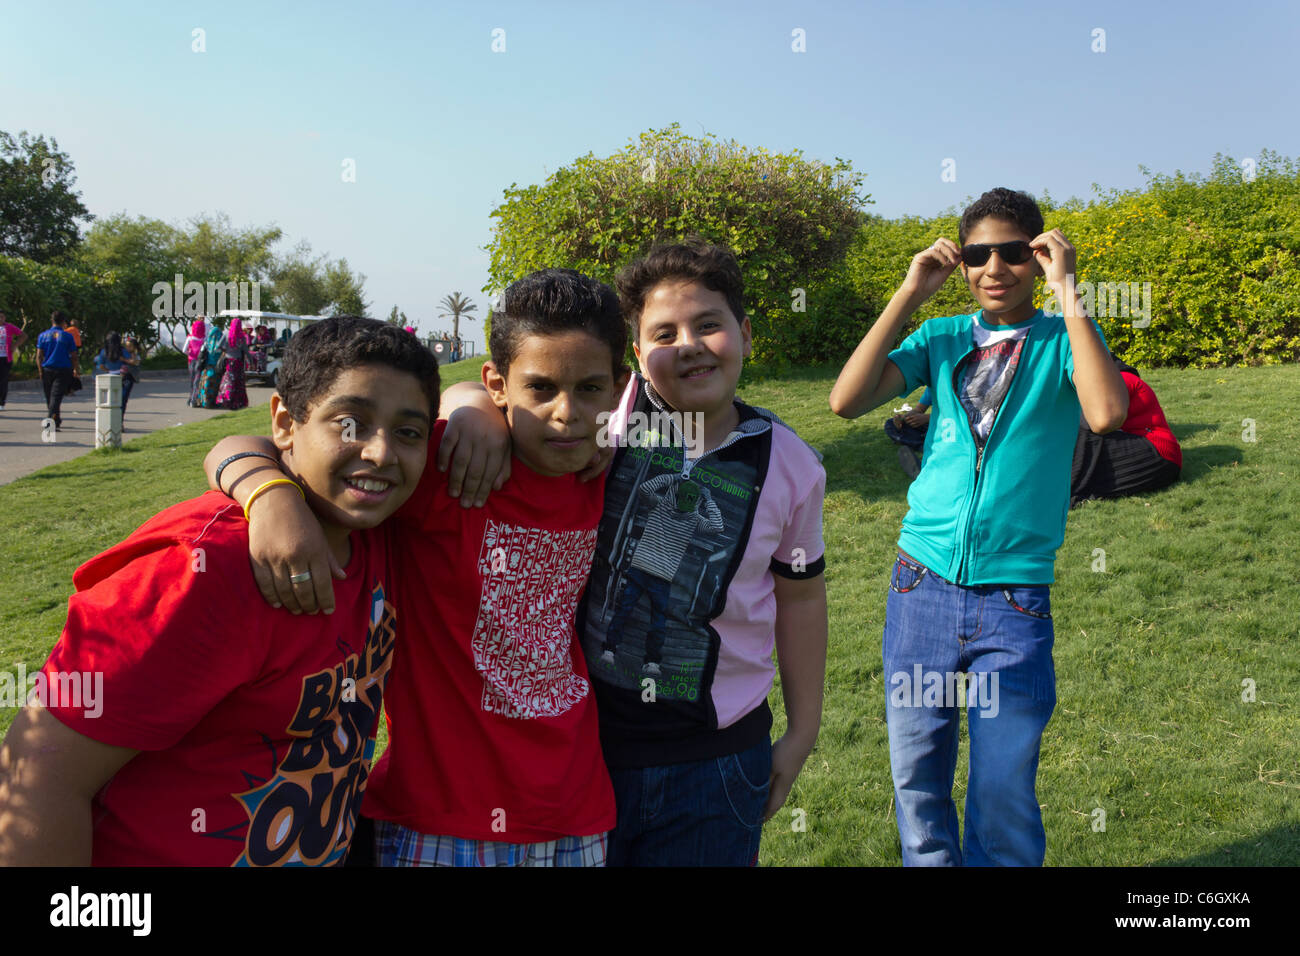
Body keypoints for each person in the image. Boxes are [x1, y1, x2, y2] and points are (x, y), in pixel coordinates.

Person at [201, 269, 626, 867]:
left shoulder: (608, 474)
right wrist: (269, 496)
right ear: (498, 384)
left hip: (576, 812)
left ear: (618, 387)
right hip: (438, 819)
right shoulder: (450, 467)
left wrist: (471, 402)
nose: (566, 413)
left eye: (588, 389)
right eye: (540, 388)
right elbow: (241, 446)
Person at [440, 241, 829, 866]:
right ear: (638, 358)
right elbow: (514, 389)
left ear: (746, 333)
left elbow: (803, 595)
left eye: (709, 324)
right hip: (588, 750)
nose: (689, 345)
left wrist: (802, 731)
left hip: (720, 758)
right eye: (663, 333)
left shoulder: (792, 465)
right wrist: (474, 411)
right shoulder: (604, 415)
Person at [0, 316, 439, 865]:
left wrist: (264, 482)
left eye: (408, 432)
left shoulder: (381, 531)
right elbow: (37, 778)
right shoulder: (201, 569)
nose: (379, 453)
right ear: (285, 421)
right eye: (349, 424)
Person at [829, 187, 1129, 867]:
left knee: (1001, 790)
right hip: (920, 589)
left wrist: (1070, 291)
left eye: (1014, 252)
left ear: (1038, 255)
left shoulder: (1062, 338)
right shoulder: (940, 339)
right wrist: (910, 293)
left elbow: (1107, 414)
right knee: (917, 779)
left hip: (1013, 602)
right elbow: (845, 399)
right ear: (960, 263)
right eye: (977, 254)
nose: (995, 267)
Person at [1070, 355, 1181, 507]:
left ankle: (1067, 489)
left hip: (1158, 451)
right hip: (1125, 440)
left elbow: (1092, 421)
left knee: (1080, 432)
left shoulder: (1120, 379)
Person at [36, 310, 80, 429]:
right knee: (55, 396)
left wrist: (40, 370)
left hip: (47, 369)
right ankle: (52, 419)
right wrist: (76, 369)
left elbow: (39, 356)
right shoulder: (67, 336)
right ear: (63, 322)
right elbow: (74, 356)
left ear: (52, 320)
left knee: (50, 396)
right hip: (63, 370)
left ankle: (53, 418)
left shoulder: (43, 335)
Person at [885, 386, 933, 478]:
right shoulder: (932, 388)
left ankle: (923, 447)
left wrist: (926, 418)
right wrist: (902, 418)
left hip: (945, 427)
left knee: (931, 433)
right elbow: (918, 410)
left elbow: (955, 417)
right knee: (890, 424)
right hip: (929, 426)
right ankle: (924, 446)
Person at [93, 331, 137, 417]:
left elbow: (101, 366)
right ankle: (119, 421)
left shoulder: (103, 351)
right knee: (122, 401)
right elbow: (132, 362)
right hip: (124, 377)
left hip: (109, 377)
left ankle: (111, 420)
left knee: (110, 401)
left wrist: (108, 370)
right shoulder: (123, 350)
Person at [217, 316, 249, 410]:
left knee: (228, 380)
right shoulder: (241, 336)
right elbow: (246, 351)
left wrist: (226, 350)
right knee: (237, 382)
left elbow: (218, 346)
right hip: (238, 362)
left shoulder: (226, 334)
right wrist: (251, 361)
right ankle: (238, 401)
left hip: (228, 361)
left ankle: (226, 399)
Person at [0, 309, 29, 411]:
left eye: (2, 317)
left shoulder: (9, 327)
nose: (0, 319)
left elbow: (23, 336)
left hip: (5, 358)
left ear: (5, 318)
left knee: (3, 381)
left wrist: (15, 345)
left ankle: (1, 402)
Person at [194, 322, 225, 409]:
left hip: (207, 369)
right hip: (216, 369)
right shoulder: (220, 346)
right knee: (214, 387)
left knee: (205, 385)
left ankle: (203, 402)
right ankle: (211, 403)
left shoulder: (206, 344)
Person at [185, 317, 206, 405]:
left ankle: (190, 398)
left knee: (191, 380)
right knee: (197, 381)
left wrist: (189, 354)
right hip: (199, 362)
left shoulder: (190, 338)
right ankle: (194, 400)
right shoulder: (204, 339)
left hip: (191, 361)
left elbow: (184, 350)